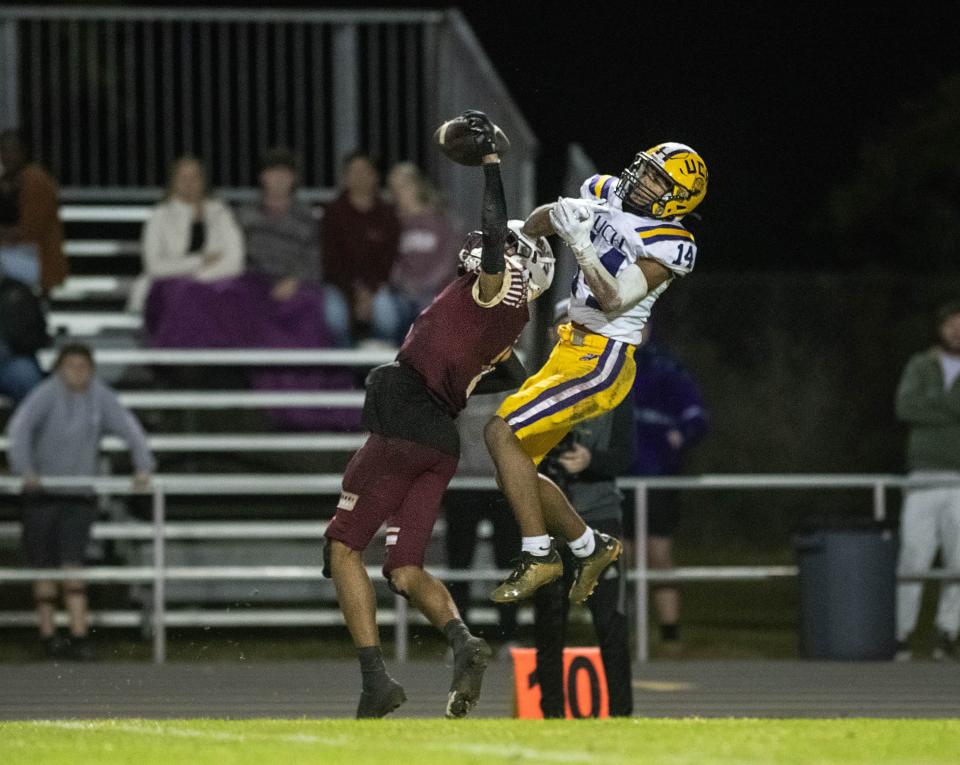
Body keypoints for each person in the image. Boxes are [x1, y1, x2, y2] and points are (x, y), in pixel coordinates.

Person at [321, 110, 554, 718]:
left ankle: (375, 682)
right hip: (439, 443)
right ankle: (462, 640)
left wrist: (492, 165)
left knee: (343, 548)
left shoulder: (492, 294)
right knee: (403, 568)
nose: (491, 246)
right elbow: (518, 379)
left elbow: (493, 233)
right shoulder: (512, 327)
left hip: (406, 417)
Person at [484, 143, 709, 605]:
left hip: (602, 359)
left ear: (677, 199)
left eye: (657, 181)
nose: (642, 181)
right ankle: (590, 547)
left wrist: (583, 244)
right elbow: (549, 218)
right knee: (514, 471)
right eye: (645, 171)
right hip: (569, 347)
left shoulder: (673, 242)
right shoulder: (607, 190)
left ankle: (539, 554)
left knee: (499, 431)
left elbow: (613, 299)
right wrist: (532, 229)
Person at [6, 343, 155, 661]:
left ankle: (78, 633)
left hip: (78, 495)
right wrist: (25, 469)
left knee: (74, 565)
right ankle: (49, 635)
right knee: (43, 568)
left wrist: (143, 465)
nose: (77, 373)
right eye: (71, 366)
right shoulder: (46, 394)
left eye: (83, 366)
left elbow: (129, 428)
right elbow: (20, 430)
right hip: (43, 496)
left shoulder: (99, 396)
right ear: (60, 368)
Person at [533, 389, 636, 717]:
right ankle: (551, 715)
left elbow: (626, 455)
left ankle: (622, 715)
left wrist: (590, 461)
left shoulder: (616, 389)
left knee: (610, 620)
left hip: (599, 518)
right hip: (550, 522)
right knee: (550, 622)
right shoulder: (543, 386)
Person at [625, 323, 708, 657]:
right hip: (618, 475)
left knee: (657, 554)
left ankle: (670, 635)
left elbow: (696, 414)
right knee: (622, 556)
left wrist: (682, 437)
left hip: (657, 476)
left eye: (641, 320)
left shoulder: (665, 366)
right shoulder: (607, 359)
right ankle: (627, 633)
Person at [894, 299, 960, 661]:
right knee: (913, 558)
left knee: (959, 561)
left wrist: (933, 404)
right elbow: (905, 407)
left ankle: (946, 634)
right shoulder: (921, 365)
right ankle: (901, 634)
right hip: (922, 476)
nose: (957, 331)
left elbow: (923, 408)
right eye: (952, 323)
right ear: (941, 327)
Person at [238, 147, 351, 348]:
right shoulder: (245, 215)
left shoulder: (307, 217)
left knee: (311, 307)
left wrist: (294, 281)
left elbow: (315, 259)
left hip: (297, 284)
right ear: (263, 177)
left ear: (293, 179)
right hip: (255, 283)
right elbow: (237, 255)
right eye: (273, 172)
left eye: (285, 173)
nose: (279, 179)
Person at [444, 390, 521, 644]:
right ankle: (459, 637)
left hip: (503, 481)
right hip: (462, 484)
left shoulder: (514, 379)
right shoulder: (458, 377)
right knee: (459, 563)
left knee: (508, 561)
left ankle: (508, 635)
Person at [129, 154, 244, 314]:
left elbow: (235, 259)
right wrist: (200, 261)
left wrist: (197, 280)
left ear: (203, 180)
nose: (189, 182)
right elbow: (154, 265)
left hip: (212, 286)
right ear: (173, 181)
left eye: (194, 176)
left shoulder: (220, 212)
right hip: (167, 291)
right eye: (183, 177)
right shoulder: (160, 215)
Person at [320, 151, 401, 344]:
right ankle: (346, 371)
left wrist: (369, 291)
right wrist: (354, 292)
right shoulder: (333, 213)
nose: (359, 177)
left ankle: (382, 369)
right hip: (339, 285)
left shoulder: (387, 213)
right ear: (345, 177)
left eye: (365, 171)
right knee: (334, 319)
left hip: (377, 285)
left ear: (375, 176)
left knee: (387, 318)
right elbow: (330, 260)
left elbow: (390, 259)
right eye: (353, 172)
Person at [383, 162, 459, 343]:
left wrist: (423, 286)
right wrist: (405, 285)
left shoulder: (441, 221)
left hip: (434, 293)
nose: (399, 193)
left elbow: (447, 262)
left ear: (417, 186)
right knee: (386, 310)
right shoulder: (393, 223)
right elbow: (393, 264)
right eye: (395, 188)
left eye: (404, 185)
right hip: (401, 294)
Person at [0, 129, 66, 293]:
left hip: (35, 257)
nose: (8, 156)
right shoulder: (6, 182)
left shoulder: (36, 181)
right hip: (10, 253)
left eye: (13, 150)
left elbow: (30, 230)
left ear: (23, 152)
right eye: (4, 151)